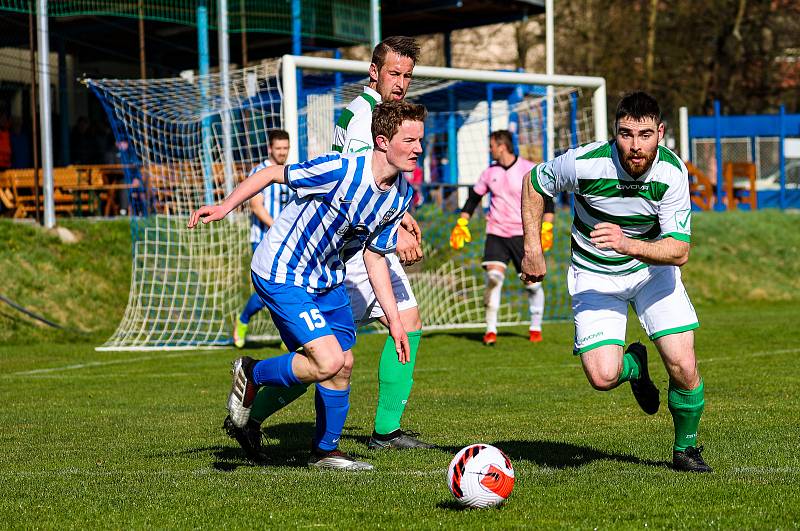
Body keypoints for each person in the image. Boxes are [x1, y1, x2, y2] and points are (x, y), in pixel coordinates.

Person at [224, 36, 432, 459]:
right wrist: (400, 227)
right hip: (336, 246)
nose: (402, 83)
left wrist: (400, 215)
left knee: (353, 348)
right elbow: (362, 183)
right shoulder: (366, 121)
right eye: (395, 73)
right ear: (374, 71)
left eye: (408, 75)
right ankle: (258, 403)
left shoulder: (377, 120)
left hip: (343, 251)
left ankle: (323, 442)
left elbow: (385, 192)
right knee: (328, 358)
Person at [189, 100, 425, 470]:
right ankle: (252, 373)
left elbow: (375, 257)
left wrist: (394, 320)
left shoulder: (397, 199)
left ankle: (325, 451)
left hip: (326, 278)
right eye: (410, 140)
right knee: (327, 359)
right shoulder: (339, 170)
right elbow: (270, 174)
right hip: (282, 270)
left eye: (420, 140)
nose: (418, 148)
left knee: (343, 362)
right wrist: (223, 207)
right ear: (382, 141)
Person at [520, 91, 711, 473]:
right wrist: (533, 247)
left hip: (651, 271)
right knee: (603, 376)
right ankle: (634, 366)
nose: (635, 146)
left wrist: (627, 243)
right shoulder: (585, 162)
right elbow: (533, 182)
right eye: (625, 134)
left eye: (644, 135)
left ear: (660, 132)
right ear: (614, 133)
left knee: (683, 364)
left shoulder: (672, 173)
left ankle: (685, 449)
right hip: (594, 272)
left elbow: (679, 251)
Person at [450, 130, 555, 346]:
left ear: (501, 146)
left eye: (491, 145)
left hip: (522, 235)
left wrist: (547, 227)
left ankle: (535, 326)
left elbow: (548, 199)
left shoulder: (528, 169)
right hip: (496, 233)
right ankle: (490, 330)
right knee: (493, 279)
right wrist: (462, 222)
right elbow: (473, 198)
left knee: (532, 285)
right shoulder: (489, 172)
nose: (489, 149)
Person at [232, 130, 290, 348]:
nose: (282, 152)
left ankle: (290, 335)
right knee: (267, 291)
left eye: (286, 148)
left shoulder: (289, 171)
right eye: (278, 148)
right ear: (270, 149)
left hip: (286, 241)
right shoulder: (259, 171)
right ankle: (243, 320)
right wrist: (278, 227)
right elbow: (256, 206)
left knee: (290, 286)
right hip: (263, 239)